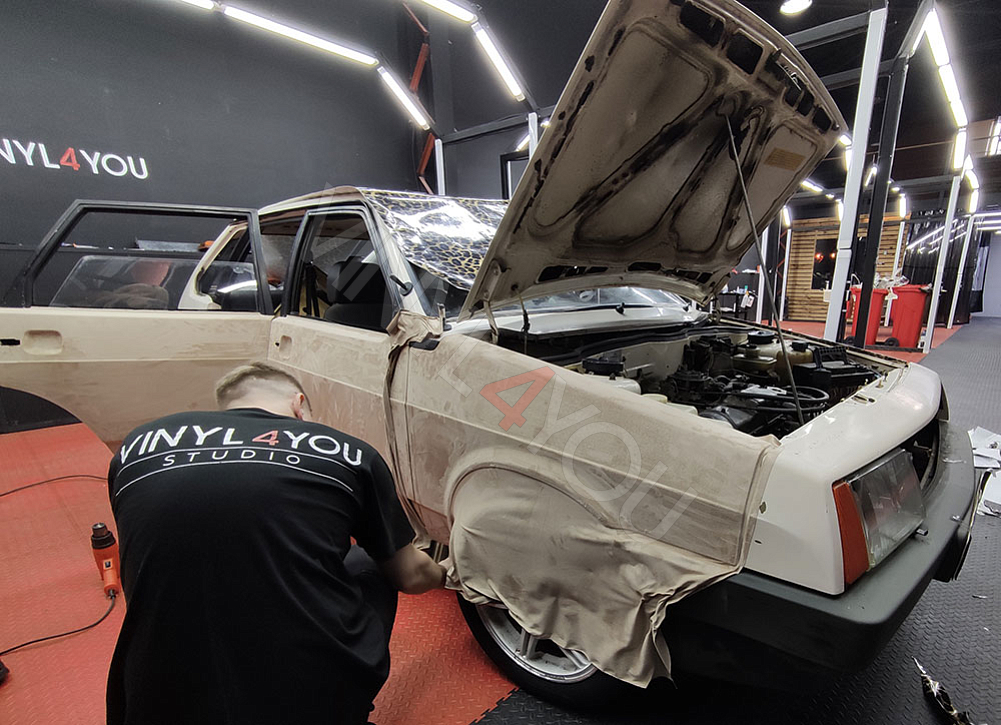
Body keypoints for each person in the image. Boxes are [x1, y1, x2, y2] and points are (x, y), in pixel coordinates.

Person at [106, 362, 446, 725]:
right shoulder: (348, 452)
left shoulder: (136, 446)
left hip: (156, 693)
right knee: (366, 559)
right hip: (301, 700)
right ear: (299, 405)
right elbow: (411, 575)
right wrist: (450, 574)